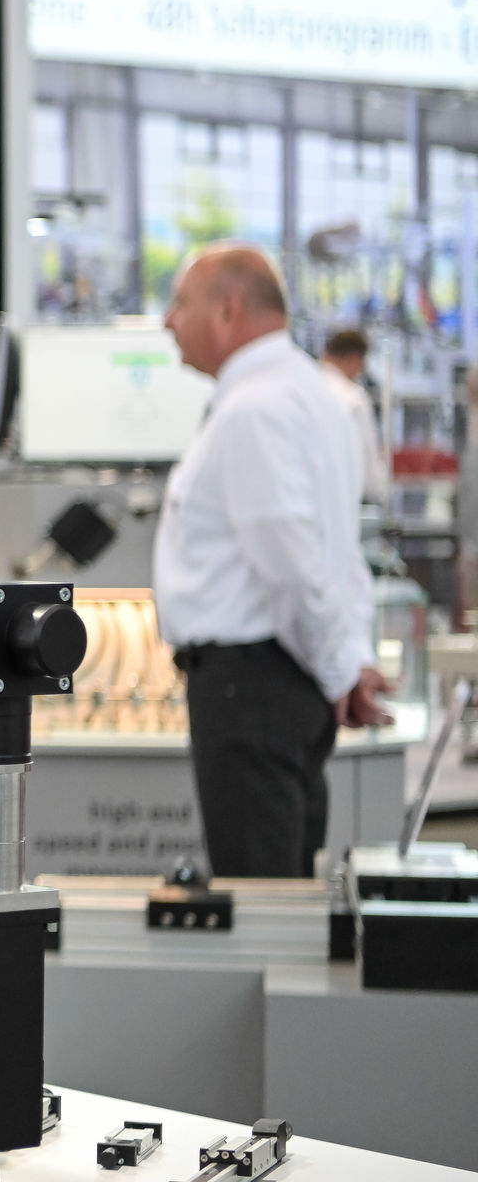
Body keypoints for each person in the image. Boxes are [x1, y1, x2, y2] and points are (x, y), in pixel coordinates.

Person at [157, 245, 390, 880]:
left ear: (228, 311)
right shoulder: (316, 396)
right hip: (284, 684)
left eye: (180, 303)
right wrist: (346, 661)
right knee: (285, 889)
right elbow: (339, 554)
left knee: (259, 896)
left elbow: (290, 565)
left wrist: (341, 670)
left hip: (252, 689)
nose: (168, 320)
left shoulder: (254, 408)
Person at [319, 327, 388, 506]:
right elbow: (367, 457)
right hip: (347, 500)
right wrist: (379, 495)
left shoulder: (302, 390)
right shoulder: (353, 399)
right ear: (354, 359)